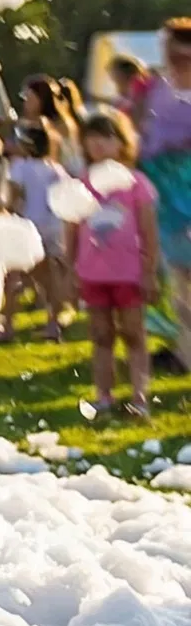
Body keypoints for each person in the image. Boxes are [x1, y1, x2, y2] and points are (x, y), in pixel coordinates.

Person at [68, 109, 159, 420]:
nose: (98, 144)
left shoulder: (136, 184)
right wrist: (71, 270)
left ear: (121, 142)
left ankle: (139, 397)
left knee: (134, 333)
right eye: (91, 137)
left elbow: (148, 231)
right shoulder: (81, 185)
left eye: (106, 137)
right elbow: (72, 230)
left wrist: (149, 271)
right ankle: (104, 395)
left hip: (128, 273)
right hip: (92, 274)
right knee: (100, 334)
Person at [134, 19, 191, 375]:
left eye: (173, 47)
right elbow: (141, 132)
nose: (167, 53)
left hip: (186, 186)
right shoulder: (156, 87)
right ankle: (185, 353)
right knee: (177, 278)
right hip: (164, 192)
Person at [0, 119, 70, 343]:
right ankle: (53, 324)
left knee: (13, 276)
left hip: (28, 226)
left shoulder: (20, 167)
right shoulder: (56, 169)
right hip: (52, 225)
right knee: (50, 278)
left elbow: (15, 197)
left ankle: (7, 325)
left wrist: (5, 215)